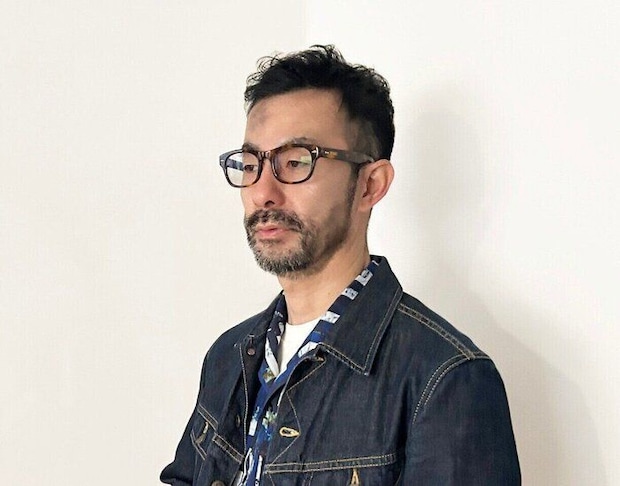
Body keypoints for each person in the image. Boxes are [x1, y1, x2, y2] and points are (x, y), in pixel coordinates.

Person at [161, 45, 521, 486]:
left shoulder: (444, 379)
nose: (263, 192)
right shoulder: (230, 356)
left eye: (296, 162)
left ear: (370, 185)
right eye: (251, 164)